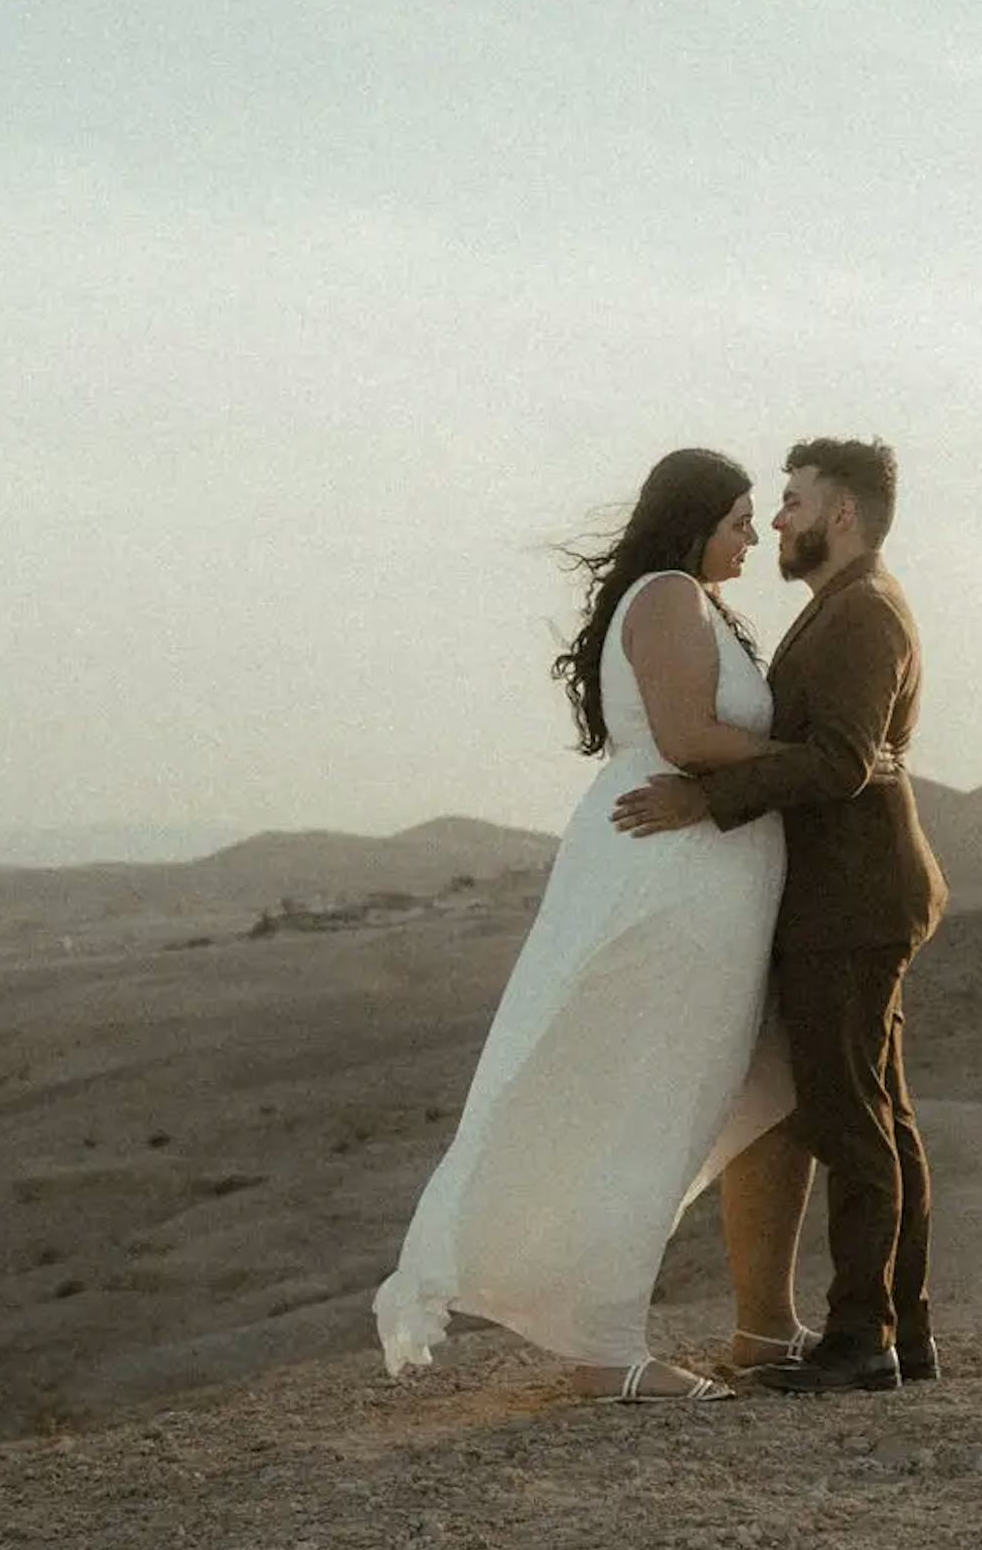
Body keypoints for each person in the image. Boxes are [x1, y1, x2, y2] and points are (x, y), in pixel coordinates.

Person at [373, 448, 801, 1402]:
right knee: (640, 1094)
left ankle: (606, 1332)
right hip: (670, 883)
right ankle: (606, 1348)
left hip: (709, 886)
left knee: (673, 1096)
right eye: (738, 520)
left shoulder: (691, 600)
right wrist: (812, 757)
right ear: (694, 519)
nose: (749, 539)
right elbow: (688, 739)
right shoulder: (667, 598)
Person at [616, 436, 946, 1395]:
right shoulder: (842, 608)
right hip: (850, 896)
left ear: (842, 514)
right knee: (877, 1113)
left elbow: (841, 761)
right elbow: (846, 751)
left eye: (794, 502)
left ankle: (863, 1337)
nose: (777, 524)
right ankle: (900, 1328)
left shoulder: (863, 616)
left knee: (849, 1117)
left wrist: (706, 801)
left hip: (851, 900)